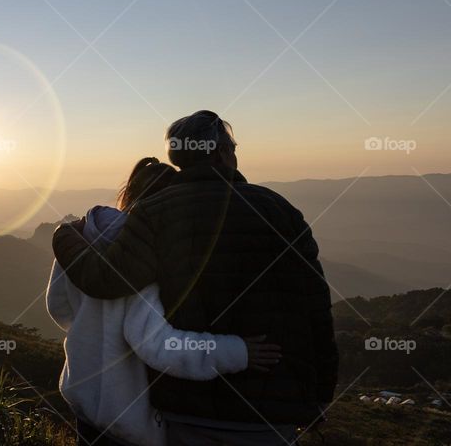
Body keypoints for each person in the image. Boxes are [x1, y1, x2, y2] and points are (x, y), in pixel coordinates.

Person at [52, 111, 338, 445]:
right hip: (272, 409)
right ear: (221, 153)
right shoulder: (280, 210)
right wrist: (319, 393)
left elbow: (108, 281)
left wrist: (63, 236)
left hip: (187, 408)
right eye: (232, 148)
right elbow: (316, 309)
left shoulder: (154, 213)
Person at [47, 157, 282, 446]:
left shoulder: (82, 237)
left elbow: (58, 309)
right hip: (124, 417)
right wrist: (238, 352)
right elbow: (158, 346)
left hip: (81, 398)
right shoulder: (145, 256)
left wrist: (92, 331)